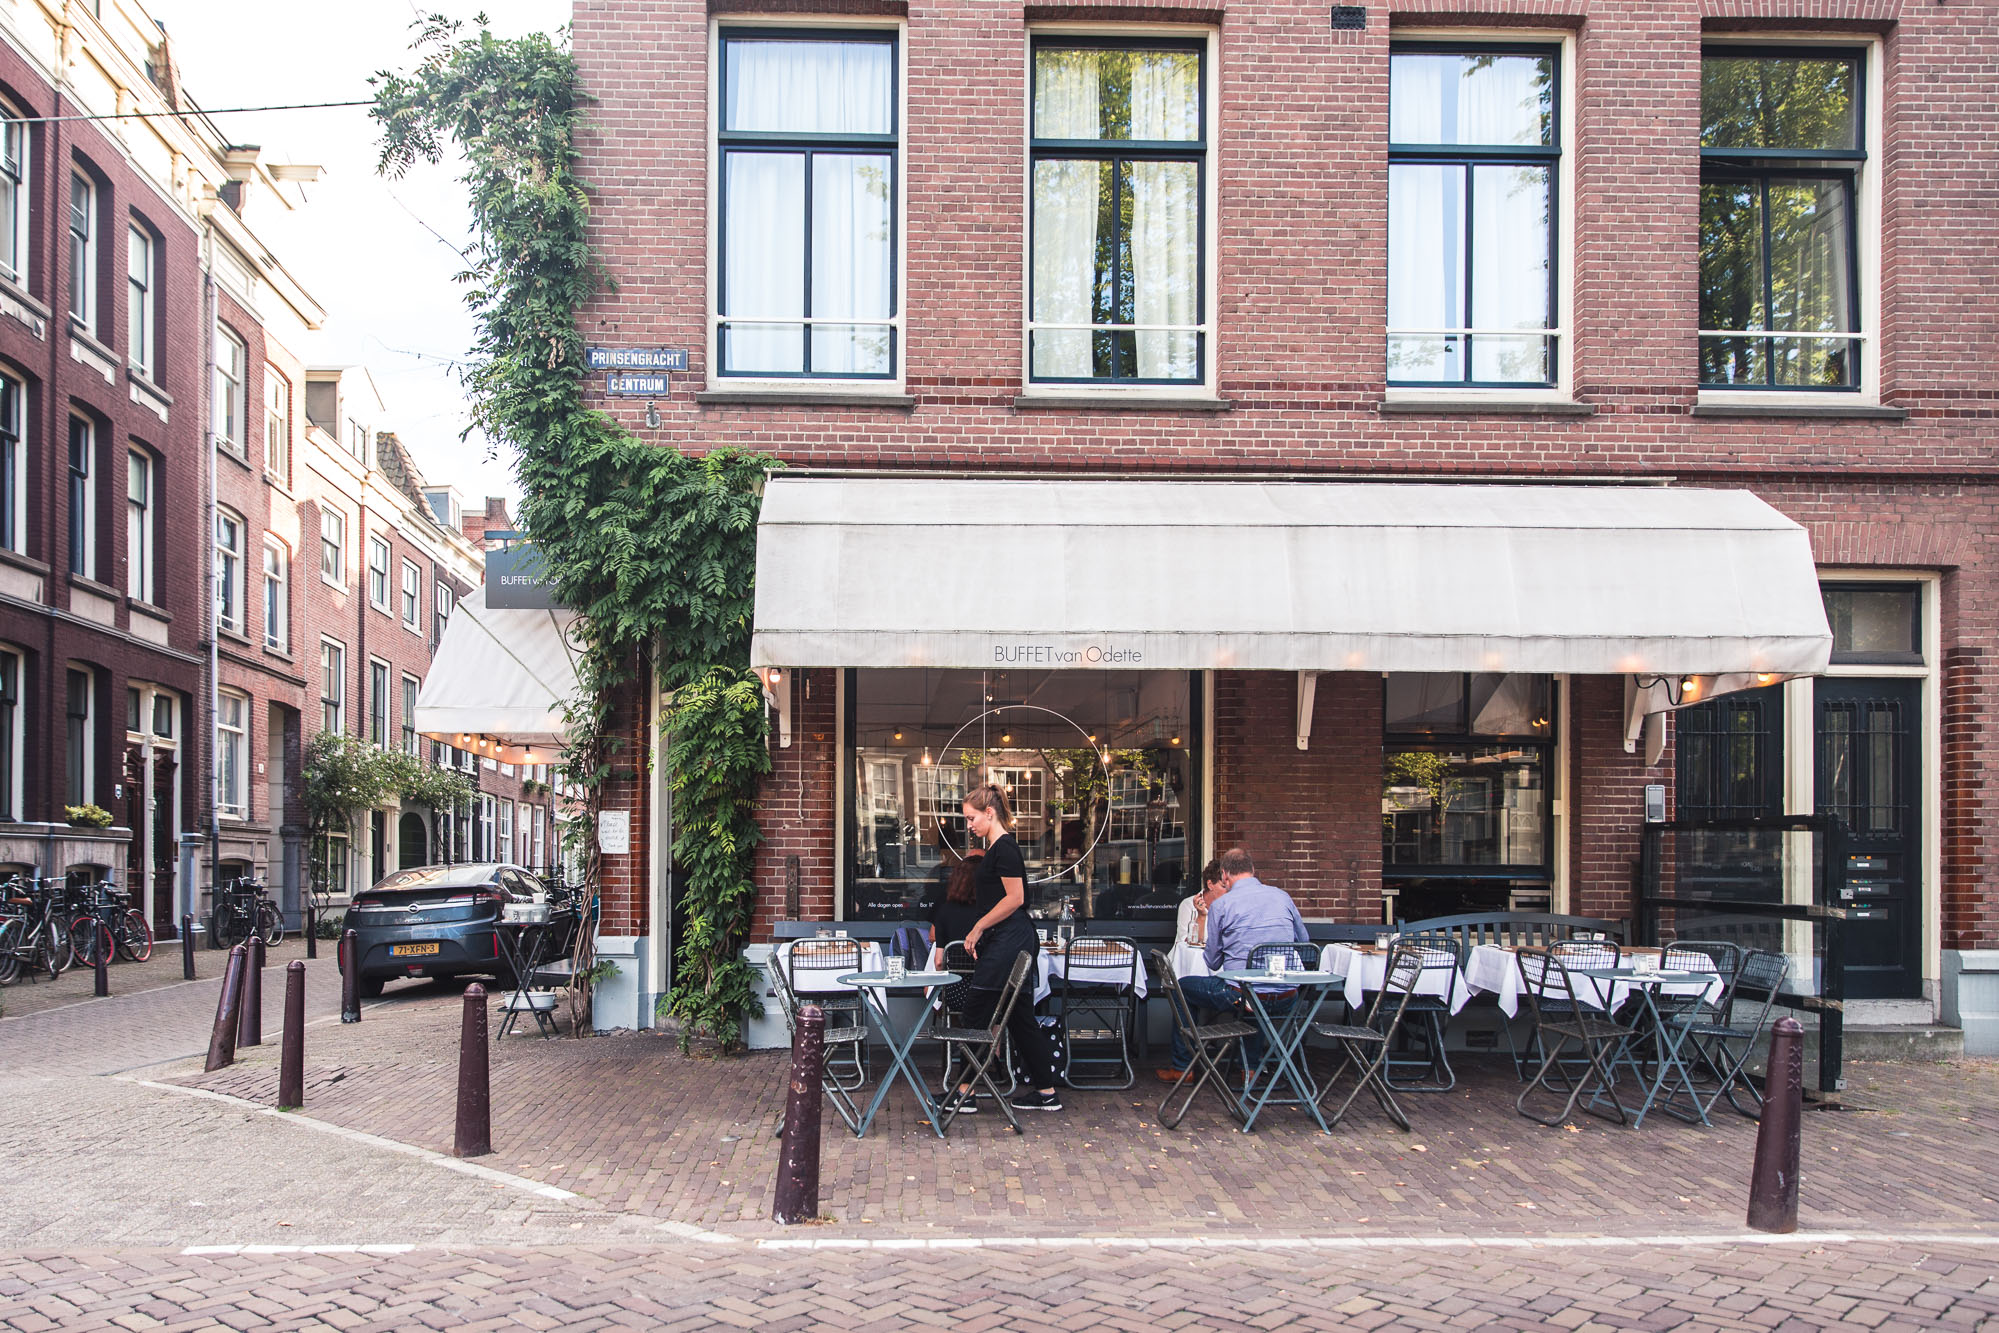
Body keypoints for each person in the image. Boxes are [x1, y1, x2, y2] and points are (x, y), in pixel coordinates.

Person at [950, 782, 1063, 1113]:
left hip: (1009, 940)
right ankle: (1047, 1093)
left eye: (971, 819)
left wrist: (978, 926)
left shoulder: (1005, 849)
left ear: (989, 813)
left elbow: (1016, 899)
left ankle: (965, 1094)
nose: (969, 826)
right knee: (1020, 1018)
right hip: (1011, 939)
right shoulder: (997, 848)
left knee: (976, 1009)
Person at [1186, 848, 1308, 1081]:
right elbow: (1304, 943)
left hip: (1243, 996)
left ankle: (1183, 1067)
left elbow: (1212, 961)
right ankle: (1248, 1069)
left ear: (1224, 875)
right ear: (1252, 871)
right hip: (1288, 996)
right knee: (1256, 994)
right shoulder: (1283, 897)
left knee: (1182, 986)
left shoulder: (1222, 905)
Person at [1158, 860, 1228, 1081]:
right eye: (1224, 886)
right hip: (1197, 969)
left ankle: (1245, 1065)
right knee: (1184, 992)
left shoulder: (1232, 906)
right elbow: (1185, 941)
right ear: (1210, 884)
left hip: (1227, 982)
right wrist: (1202, 916)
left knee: (1184, 993)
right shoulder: (1189, 905)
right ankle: (1183, 1066)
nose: (1229, 890)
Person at [927, 848, 983, 1015]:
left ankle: (959, 1038)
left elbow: (938, 962)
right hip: (987, 991)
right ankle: (992, 1041)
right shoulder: (991, 913)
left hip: (956, 994)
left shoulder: (945, 911)